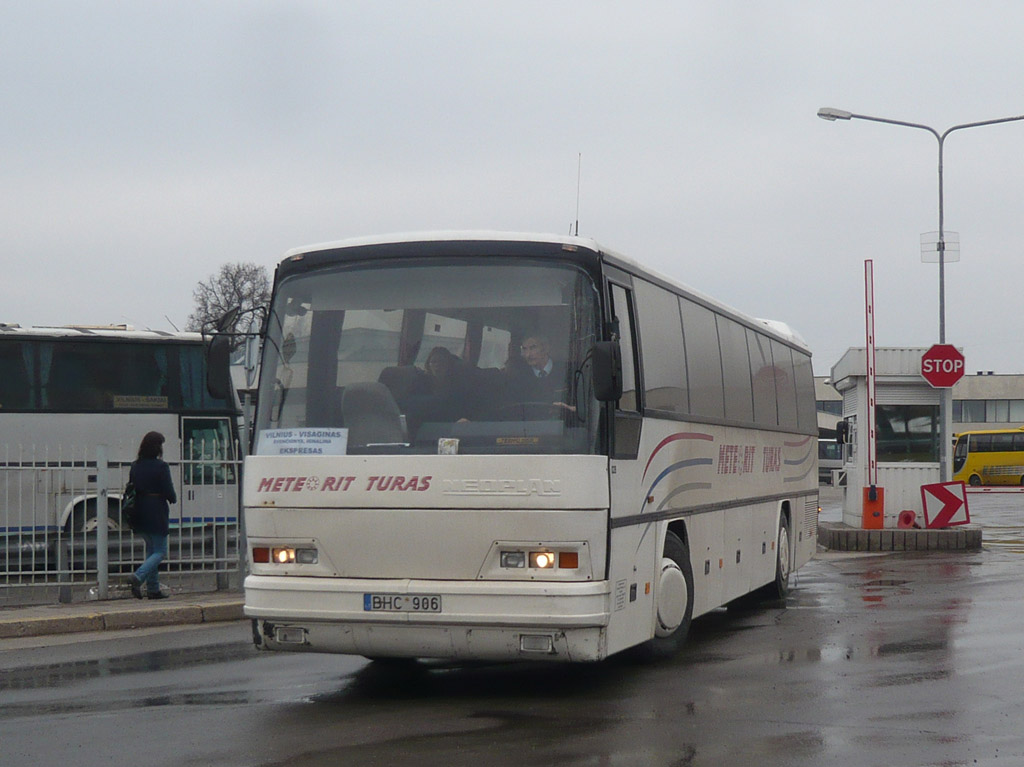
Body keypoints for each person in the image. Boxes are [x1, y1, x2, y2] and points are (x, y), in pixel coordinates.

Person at [127, 431, 177, 599]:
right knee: (161, 551)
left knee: (151, 550)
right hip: (156, 510)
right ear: (157, 448)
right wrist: (173, 498)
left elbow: (131, 487)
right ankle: (138, 576)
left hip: (139, 511)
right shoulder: (161, 467)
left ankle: (153, 589)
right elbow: (168, 490)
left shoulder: (135, 465)